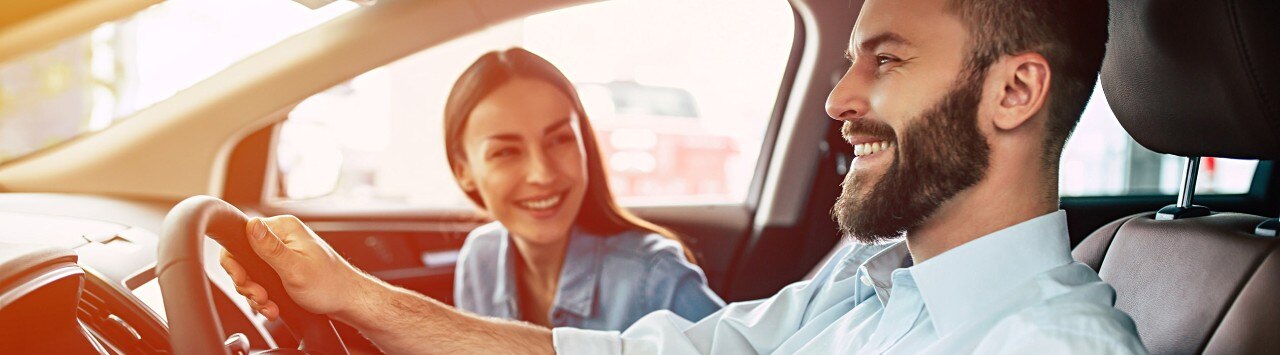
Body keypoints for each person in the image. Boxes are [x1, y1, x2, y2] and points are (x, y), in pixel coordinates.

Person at [219, 0, 1149, 353]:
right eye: (850, 59)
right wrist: (354, 295)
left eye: (887, 60)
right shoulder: (860, 290)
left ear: (1016, 89)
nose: (839, 99)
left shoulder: (1051, 343)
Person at [443, 48, 723, 329]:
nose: (542, 174)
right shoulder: (480, 258)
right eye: (506, 152)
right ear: (463, 171)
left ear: (584, 144)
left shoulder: (655, 276)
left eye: (560, 139)